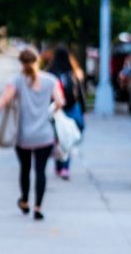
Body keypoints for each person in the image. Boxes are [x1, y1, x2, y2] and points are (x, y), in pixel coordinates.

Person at [0, 47, 64, 220]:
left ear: (21, 63)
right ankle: (38, 207)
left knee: (25, 170)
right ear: (37, 61)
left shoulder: (16, 81)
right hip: (45, 136)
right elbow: (60, 101)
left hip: (23, 136)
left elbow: (4, 100)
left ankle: (25, 202)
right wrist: (51, 111)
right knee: (41, 171)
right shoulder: (50, 80)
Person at [47, 45, 86, 180]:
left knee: (58, 137)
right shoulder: (73, 73)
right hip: (71, 107)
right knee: (68, 137)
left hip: (56, 109)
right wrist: (83, 110)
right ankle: (65, 167)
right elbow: (80, 93)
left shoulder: (50, 73)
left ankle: (58, 165)